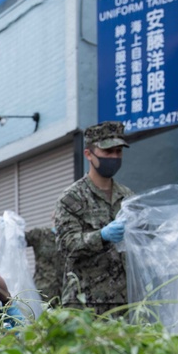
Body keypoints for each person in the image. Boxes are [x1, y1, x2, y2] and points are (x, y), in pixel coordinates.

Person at [54, 121, 134, 315]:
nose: (114, 157)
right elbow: (66, 245)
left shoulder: (128, 197)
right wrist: (102, 236)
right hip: (85, 302)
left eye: (118, 152)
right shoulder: (72, 198)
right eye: (108, 152)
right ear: (89, 154)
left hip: (123, 300)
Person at [24, 225, 62, 304]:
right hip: (44, 291)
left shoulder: (70, 236)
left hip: (66, 292)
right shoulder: (41, 234)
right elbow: (20, 239)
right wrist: (10, 226)